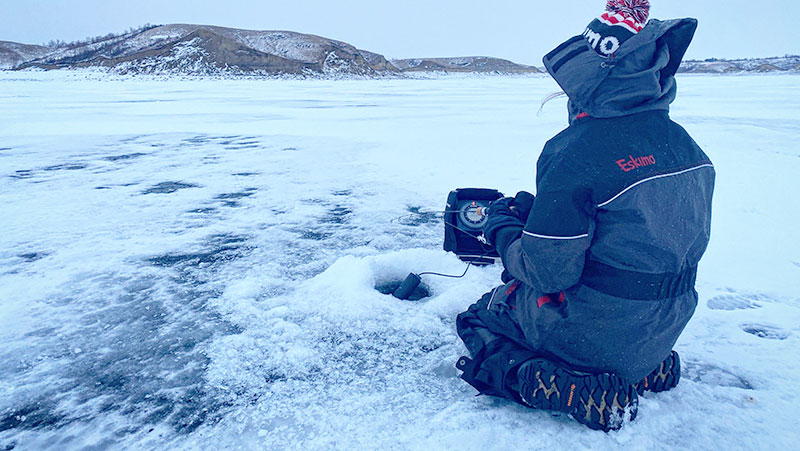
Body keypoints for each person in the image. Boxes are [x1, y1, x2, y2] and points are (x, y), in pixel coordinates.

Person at [455, 0, 715, 431]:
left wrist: (503, 230)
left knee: (481, 317)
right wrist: (541, 216)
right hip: (663, 326)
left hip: (595, 330)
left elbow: (548, 274)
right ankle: (645, 368)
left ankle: (562, 383)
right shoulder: (685, 145)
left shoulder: (574, 150)